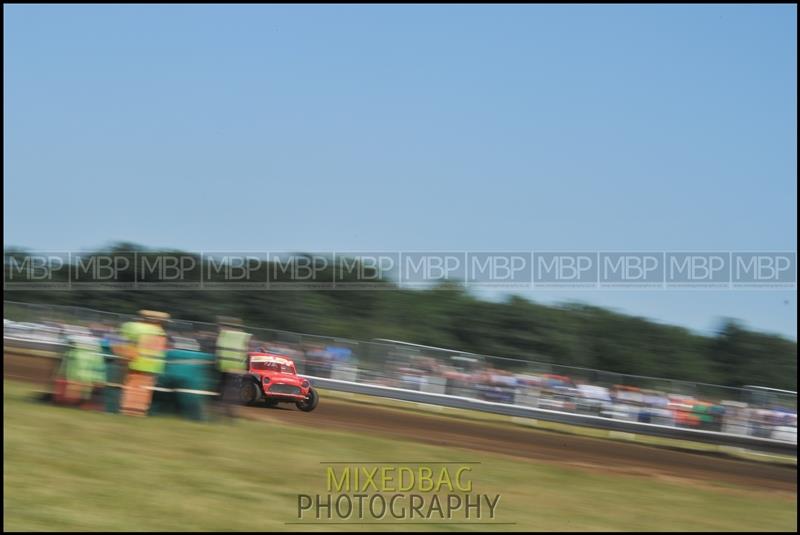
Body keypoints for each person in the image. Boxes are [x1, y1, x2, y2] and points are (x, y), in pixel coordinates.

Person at [115, 310, 169, 416]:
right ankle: (139, 411)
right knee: (145, 391)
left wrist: (122, 357)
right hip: (152, 365)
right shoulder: (160, 331)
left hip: (135, 362)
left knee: (131, 388)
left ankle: (128, 411)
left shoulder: (133, 326)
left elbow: (121, 342)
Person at [215, 316, 252, 417]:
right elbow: (245, 351)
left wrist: (217, 361)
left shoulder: (223, 334)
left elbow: (218, 348)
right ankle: (231, 412)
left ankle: (221, 408)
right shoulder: (244, 336)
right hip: (237, 367)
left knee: (223, 387)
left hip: (224, 365)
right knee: (232, 390)